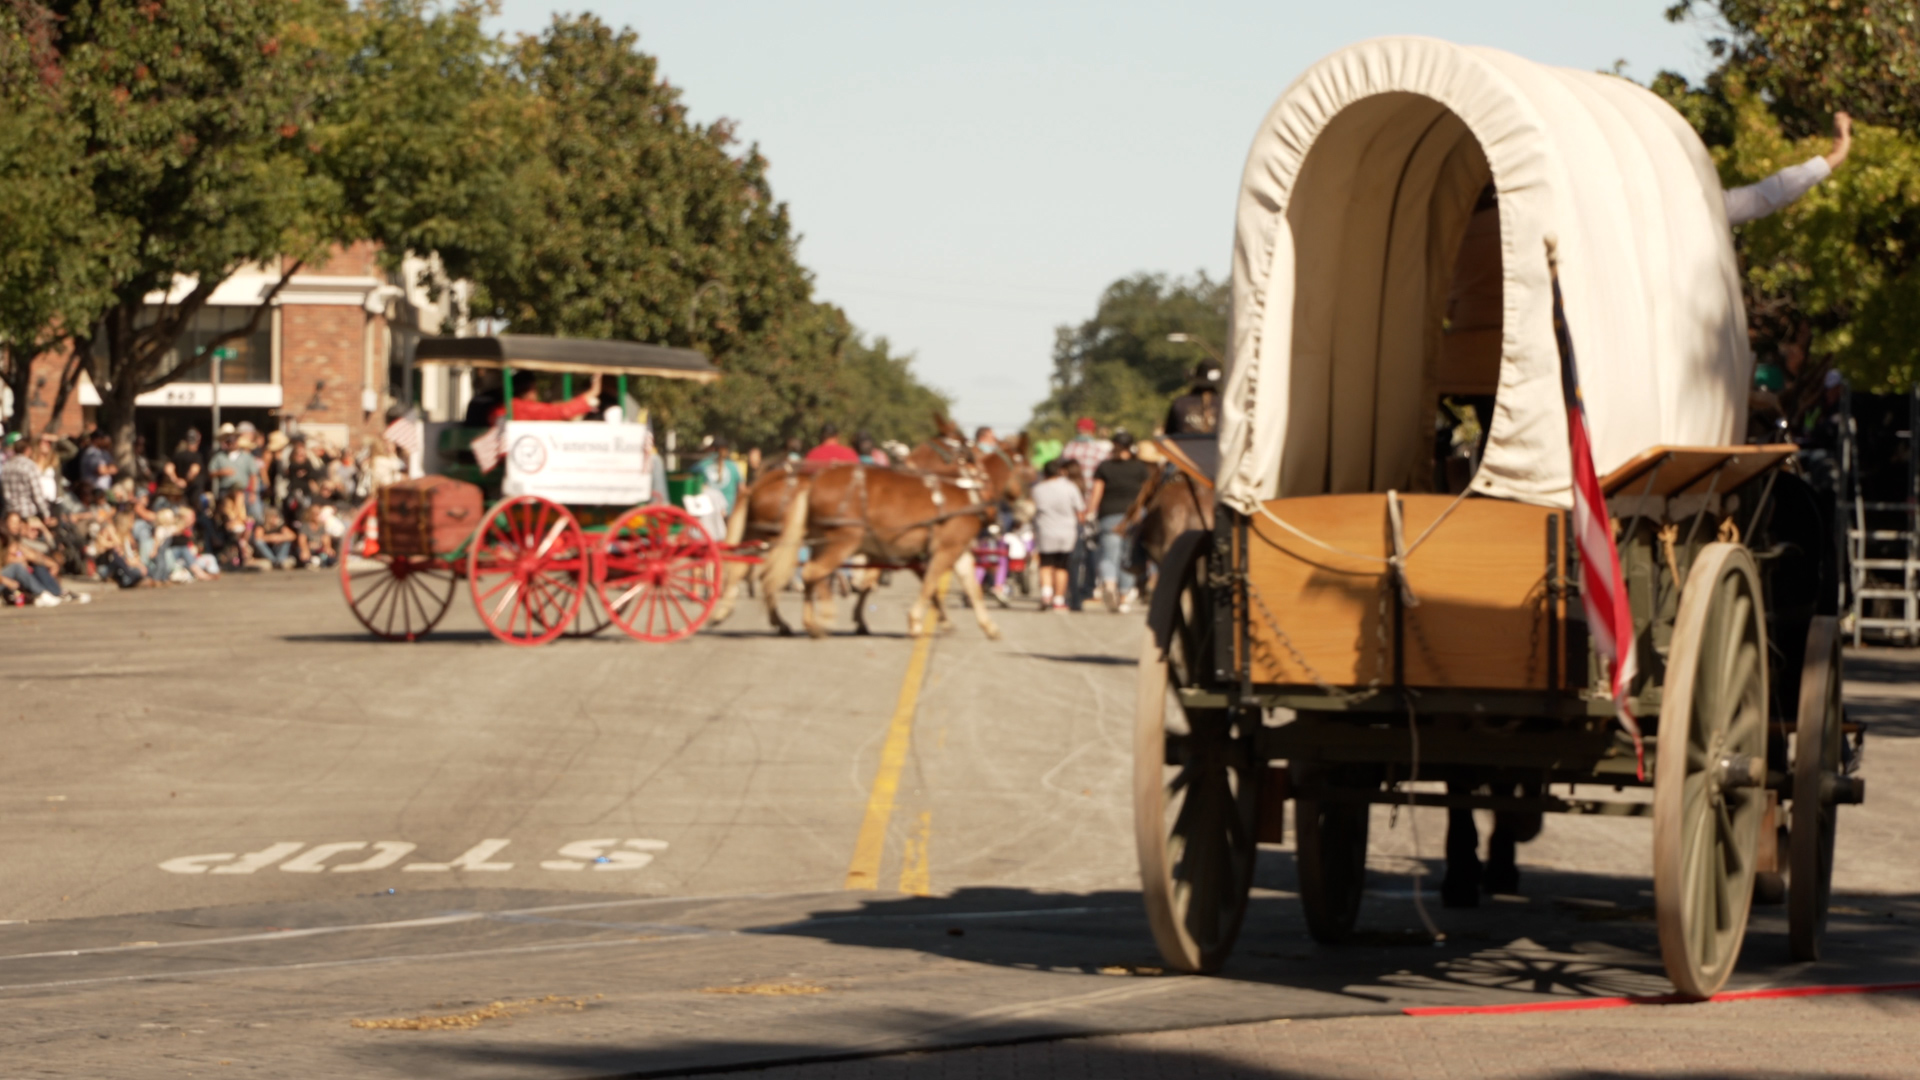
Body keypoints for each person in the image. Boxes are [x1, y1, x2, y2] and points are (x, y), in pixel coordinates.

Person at [1724, 112, 1852, 226]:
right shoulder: (1715, 207)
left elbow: (1769, 193)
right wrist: (1836, 156)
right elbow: (1768, 194)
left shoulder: (1715, 205)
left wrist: (1836, 156)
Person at [1088, 431, 1151, 612]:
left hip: (1109, 514)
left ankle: (1109, 585)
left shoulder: (1104, 467)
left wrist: (1090, 512)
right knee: (1128, 556)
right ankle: (1124, 598)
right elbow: (1145, 492)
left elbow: (1097, 493)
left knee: (1109, 555)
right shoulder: (1139, 468)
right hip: (1134, 516)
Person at [1028, 458, 1084, 612]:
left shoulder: (1037, 489)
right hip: (1067, 532)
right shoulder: (1070, 487)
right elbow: (1080, 511)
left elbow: (1031, 510)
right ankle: (1059, 600)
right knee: (1062, 567)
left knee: (1045, 564)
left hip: (1045, 530)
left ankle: (1046, 593)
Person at [488, 372, 602, 424]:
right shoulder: (521, 407)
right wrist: (593, 392)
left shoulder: (503, 407)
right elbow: (561, 411)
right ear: (530, 390)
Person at [1163, 359, 1222, 435]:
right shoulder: (1225, 405)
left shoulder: (1180, 403)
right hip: (1217, 447)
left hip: (1182, 446)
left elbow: (1169, 435)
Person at [1060, 418, 1110, 490]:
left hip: (1070, 494)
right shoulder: (1100, 451)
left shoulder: (1066, 449)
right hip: (1093, 495)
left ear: (1077, 430)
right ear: (1093, 431)